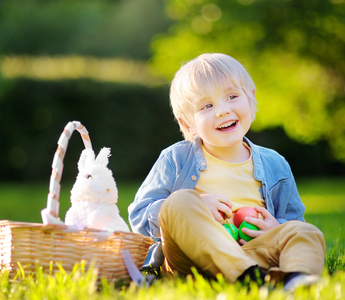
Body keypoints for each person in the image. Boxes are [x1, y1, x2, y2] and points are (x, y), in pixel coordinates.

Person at [128, 53, 325, 290]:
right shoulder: (176, 159)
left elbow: (294, 221)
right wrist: (197, 205)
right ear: (188, 123)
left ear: (251, 99)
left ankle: (296, 279)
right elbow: (139, 217)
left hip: (253, 254)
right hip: (190, 262)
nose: (222, 111)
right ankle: (247, 278)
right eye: (207, 106)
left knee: (305, 231)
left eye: (232, 96)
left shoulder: (276, 164)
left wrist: (277, 227)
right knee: (179, 201)